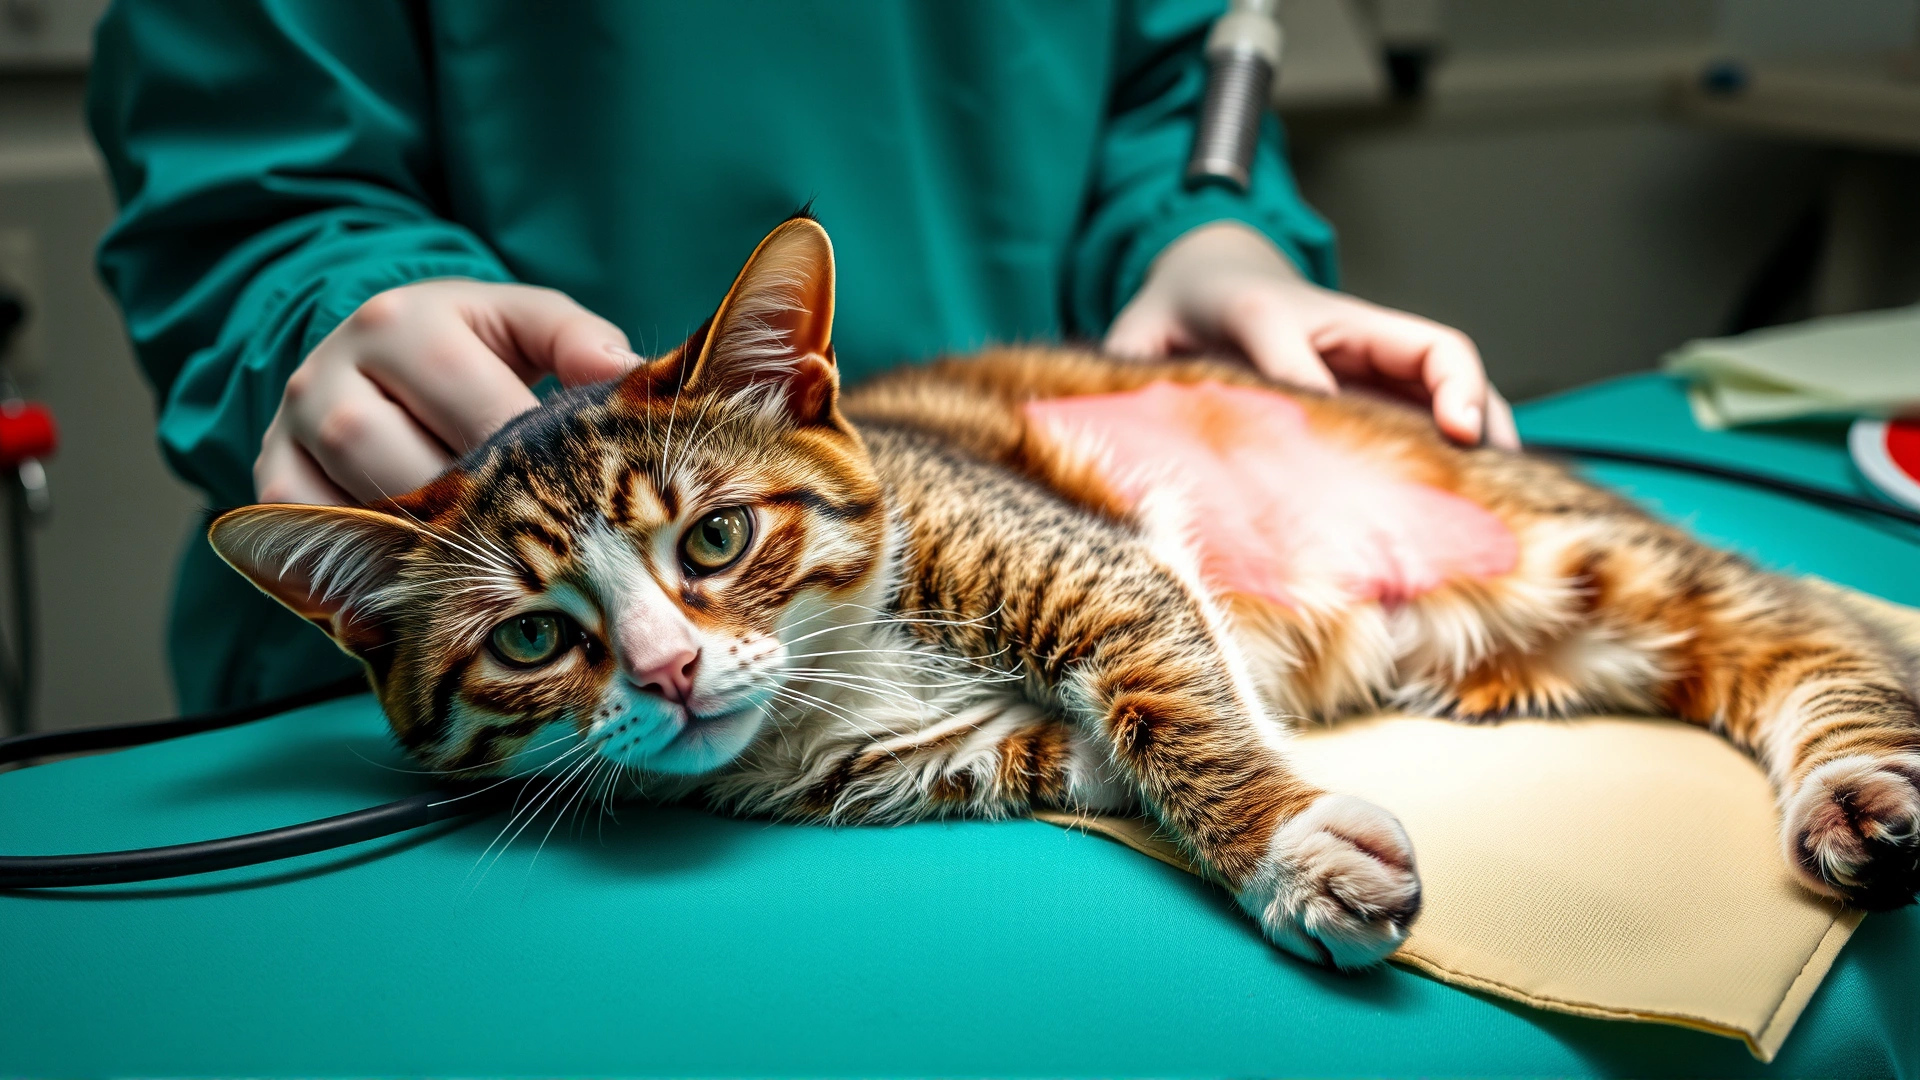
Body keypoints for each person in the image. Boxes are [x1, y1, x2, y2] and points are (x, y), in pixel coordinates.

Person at [89, 1, 1515, 712]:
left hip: (1024, 621)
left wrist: (1200, 239)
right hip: (504, 739)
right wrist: (335, 313)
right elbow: (252, 165)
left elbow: (1173, 79)